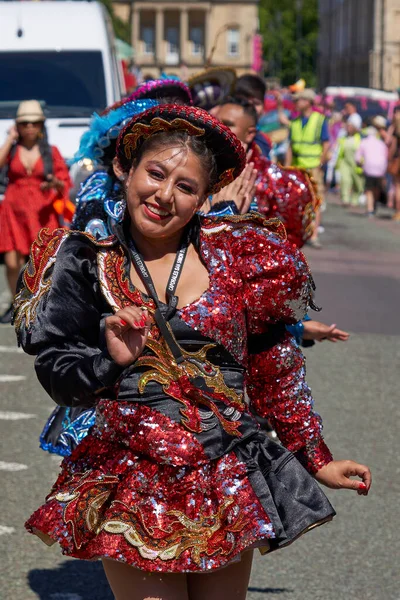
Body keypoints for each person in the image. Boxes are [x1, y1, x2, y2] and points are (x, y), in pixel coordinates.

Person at [15, 104, 370, 600]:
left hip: (225, 471)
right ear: (125, 168)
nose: (163, 195)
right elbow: (56, 372)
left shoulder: (238, 257)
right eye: (155, 174)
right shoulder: (83, 261)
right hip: (132, 475)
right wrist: (108, 360)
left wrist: (314, 458)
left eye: (185, 186)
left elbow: (273, 368)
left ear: (204, 197)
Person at [0, 100, 71, 324]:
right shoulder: (11, 149)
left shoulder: (51, 151)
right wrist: (9, 139)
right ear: (17, 126)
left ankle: (39, 304)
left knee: (40, 262)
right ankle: (15, 302)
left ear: (41, 125)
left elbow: (64, 182)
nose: (30, 127)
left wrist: (54, 184)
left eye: (35, 122)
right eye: (24, 123)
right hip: (13, 210)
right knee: (12, 262)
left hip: (41, 212)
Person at [285, 89, 330, 248]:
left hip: (313, 168)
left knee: (315, 201)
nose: (296, 103)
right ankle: (298, 233)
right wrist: (287, 167)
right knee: (296, 202)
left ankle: (313, 234)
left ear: (308, 102)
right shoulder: (295, 122)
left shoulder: (320, 120)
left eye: (299, 100)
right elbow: (290, 146)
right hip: (297, 168)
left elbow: (326, 143)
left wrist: (321, 163)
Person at [234, 74, 272, 158]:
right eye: (245, 103)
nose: (251, 109)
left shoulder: (264, 141)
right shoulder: (224, 137)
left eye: (256, 103)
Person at [355, 126, 388, 218]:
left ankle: (370, 209)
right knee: (376, 188)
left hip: (369, 168)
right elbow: (385, 156)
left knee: (369, 190)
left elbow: (357, 158)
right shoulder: (381, 143)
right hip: (381, 169)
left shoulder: (364, 142)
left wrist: (360, 165)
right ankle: (374, 206)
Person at [336, 113, 364, 207]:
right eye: (348, 126)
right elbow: (339, 150)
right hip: (345, 162)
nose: (348, 128)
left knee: (358, 183)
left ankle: (355, 199)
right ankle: (345, 199)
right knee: (345, 180)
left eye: (351, 126)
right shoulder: (344, 137)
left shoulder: (360, 138)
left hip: (357, 164)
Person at [387, 106, 400, 221]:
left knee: (398, 186)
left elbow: (390, 143)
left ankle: (398, 212)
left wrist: (389, 159)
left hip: (397, 158)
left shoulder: (396, 128)